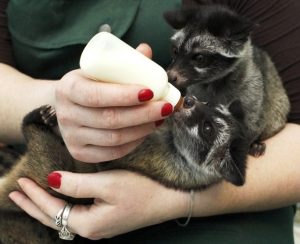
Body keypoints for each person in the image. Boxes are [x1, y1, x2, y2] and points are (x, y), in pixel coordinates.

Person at [1, 0, 300, 243]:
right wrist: (61, 102)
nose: (174, 75)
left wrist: (174, 202)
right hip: (54, 179)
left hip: (233, 209)